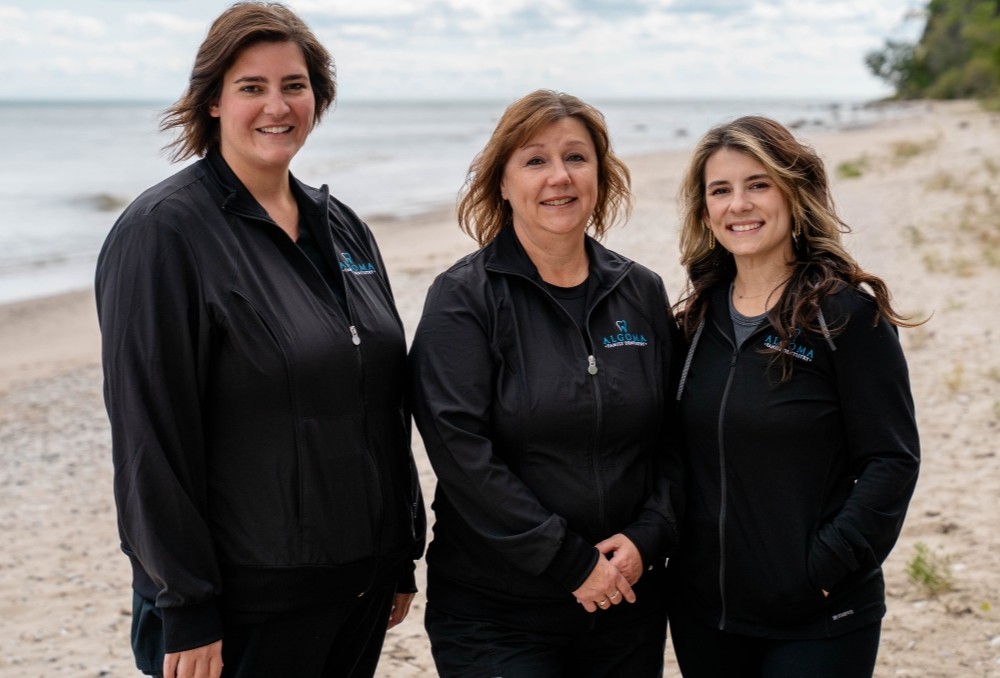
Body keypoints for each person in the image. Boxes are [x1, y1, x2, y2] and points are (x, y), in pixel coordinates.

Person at [95, 3, 425, 677]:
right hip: (247, 605)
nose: (277, 105)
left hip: (357, 587)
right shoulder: (163, 234)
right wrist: (186, 605)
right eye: (252, 87)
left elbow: (381, 400)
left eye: (294, 85)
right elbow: (148, 440)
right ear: (212, 100)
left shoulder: (343, 227)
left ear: (317, 97)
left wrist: (400, 550)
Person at [407, 89, 684, 677]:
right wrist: (571, 563)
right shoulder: (463, 299)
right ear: (502, 183)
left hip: (627, 600)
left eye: (576, 157)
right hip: (498, 611)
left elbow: (675, 437)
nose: (559, 176)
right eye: (535, 160)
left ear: (601, 176)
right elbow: (461, 455)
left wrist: (649, 537)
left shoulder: (642, 291)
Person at [666, 115, 920, 677]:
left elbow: (892, 460)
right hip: (706, 615)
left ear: (793, 191)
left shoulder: (847, 318)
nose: (740, 204)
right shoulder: (693, 323)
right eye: (721, 190)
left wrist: (822, 570)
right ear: (704, 210)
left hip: (819, 617)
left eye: (758, 184)